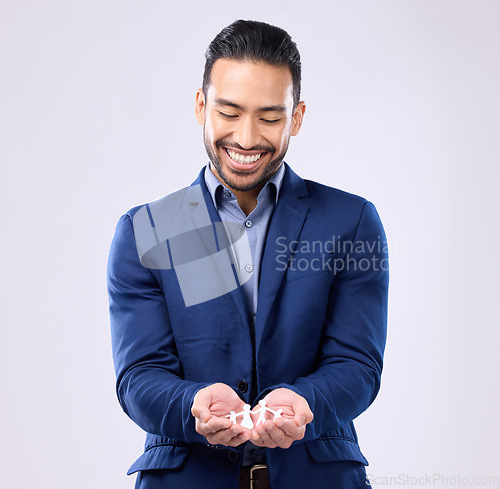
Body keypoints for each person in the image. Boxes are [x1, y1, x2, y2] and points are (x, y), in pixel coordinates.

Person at [107, 19, 389, 489]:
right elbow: (139, 375)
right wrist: (191, 404)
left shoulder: (351, 222)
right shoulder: (147, 230)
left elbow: (357, 363)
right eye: (229, 112)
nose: (246, 137)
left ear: (296, 118)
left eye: (270, 117)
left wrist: (307, 402)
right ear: (201, 107)